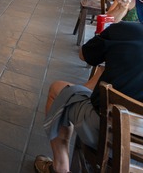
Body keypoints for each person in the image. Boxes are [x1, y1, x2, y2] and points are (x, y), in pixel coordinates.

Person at [35, 16, 143, 173]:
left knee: (57, 89)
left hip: (108, 133)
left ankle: (60, 167)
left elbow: (84, 55)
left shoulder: (126, 30)